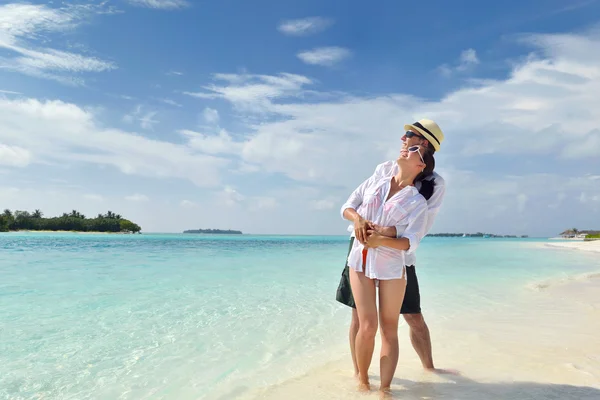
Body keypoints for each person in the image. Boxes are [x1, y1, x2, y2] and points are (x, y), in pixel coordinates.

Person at [336, 119, 446, 378]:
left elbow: (420, 228)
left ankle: (430, 371)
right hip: (361, 247)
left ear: (423, 143)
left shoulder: (434, 184)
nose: (402, 139)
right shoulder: (384, 169)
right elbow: (354, 204)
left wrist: (382, 235)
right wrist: (361, 223)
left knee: (412, 316)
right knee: (360, 319)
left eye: (409, 135)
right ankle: (359, 376)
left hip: (399, 255)